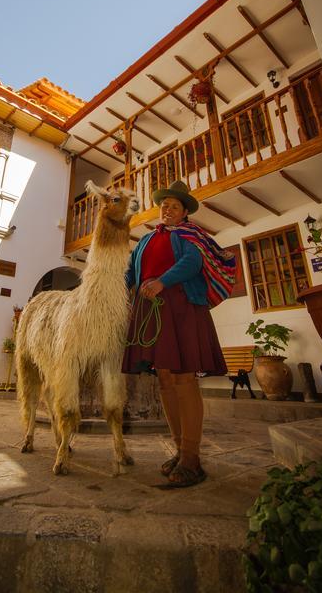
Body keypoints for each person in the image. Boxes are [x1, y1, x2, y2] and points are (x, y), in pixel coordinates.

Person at [123, 180, 234, 488]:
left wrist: (162, 281)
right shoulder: (145, 240)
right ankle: (179, 450)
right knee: (166, 379)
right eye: (164, 205)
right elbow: (131, 271)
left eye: (174, 206)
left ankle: (192, 458)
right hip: (151, 310)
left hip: (181, 305)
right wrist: (119, 288)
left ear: (185, 212)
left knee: (184, 378)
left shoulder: (191, 235)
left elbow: (193, 261)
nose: (167, 210)